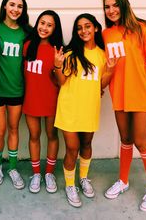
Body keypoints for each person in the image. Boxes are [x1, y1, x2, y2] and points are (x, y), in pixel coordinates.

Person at [54, 13, 116, 208]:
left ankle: (83, 178)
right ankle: (70, 185)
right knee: (72, 149)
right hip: (69, 108)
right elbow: (62, 81)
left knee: (87, 144)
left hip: (89, 108)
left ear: (96, 28)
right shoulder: (71, 54)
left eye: (87, 26)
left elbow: (101, 85)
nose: (83, 31)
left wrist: (111, 69)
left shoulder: (102, 55)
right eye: (79, 28)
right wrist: (57, 65)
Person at [102, 0, 146, 212]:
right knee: (125, 139)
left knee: (141, 142)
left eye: (115, 5)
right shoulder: (106, 34)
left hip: (141, 94)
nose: (111, 10)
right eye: (107, 7)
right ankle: (123, 181)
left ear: (123, 5)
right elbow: (107, 65)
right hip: (120, 94)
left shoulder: (143, 28)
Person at [0, 0, 32, 189]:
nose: (16, 9)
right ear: (5, 6)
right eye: (12, 4)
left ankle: (13, 168)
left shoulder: (26, 32)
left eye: (20, 6)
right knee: (0, 130)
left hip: (17, 90)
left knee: (14, 129)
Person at [23, 10, 63, 194]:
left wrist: (57, 65)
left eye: (49, 25)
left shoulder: (58, 50)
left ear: (55, 29)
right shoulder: (27, 45)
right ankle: (36, 173)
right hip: (31, 100)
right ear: (37, 23)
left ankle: (49, 173)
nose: (44, 27)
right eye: (42, 22)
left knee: (52, 136)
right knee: (34, 136)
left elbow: (61, 80)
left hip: (52, 101)